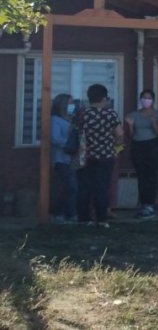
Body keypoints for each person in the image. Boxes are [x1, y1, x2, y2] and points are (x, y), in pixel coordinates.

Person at [76, 84, 122, 228]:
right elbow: (120, 134)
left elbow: (75, 132)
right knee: (102, 187)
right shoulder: (111, 114)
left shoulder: (82, 114)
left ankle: (84, 218)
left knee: (85, 187)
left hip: (86, 155)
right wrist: (114, 144)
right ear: (103, 98)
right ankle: (101, 218)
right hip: (106, 155)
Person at [125, 89, 158, 219]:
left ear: (153, 100)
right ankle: (143, 204)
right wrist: (130, 126)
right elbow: (130, 136)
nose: (146, 100)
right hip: (137, 146)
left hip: (152, 145)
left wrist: (154, 123)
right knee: (141, 175)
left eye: (148, 98)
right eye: (143, 97)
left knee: (151, 175)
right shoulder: (134, 115)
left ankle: (150, 205)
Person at [50, 93, 78, 223]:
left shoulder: (71, 120)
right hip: (61, 159)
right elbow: (55, 138)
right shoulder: (55, 120)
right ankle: (60, 212)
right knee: (70, 186)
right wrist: (69, 143)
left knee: (72, 187)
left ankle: (68, 213)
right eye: (70, 103)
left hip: (71, 159)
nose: (72, 106)